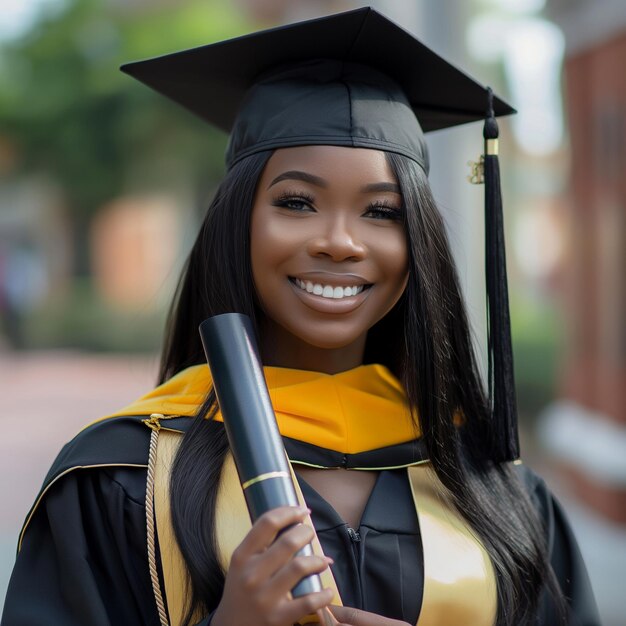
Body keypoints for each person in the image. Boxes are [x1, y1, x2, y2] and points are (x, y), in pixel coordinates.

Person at [2, 8, 600, 626]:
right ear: (238, 222)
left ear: (419, 239)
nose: (339, 241)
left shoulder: (492, 485)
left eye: (381, 212)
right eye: (296, 202)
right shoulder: (123, 476)